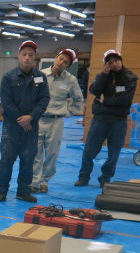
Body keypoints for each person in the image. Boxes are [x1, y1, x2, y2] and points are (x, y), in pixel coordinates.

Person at [0, 40, 50, 203]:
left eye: (30, 55)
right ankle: (2, 190)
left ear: (35, 58)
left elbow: (44, 99)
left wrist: (31, 117)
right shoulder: (8, 77)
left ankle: (23, 191)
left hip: (31, 126)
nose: (27, 58)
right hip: (12, 126)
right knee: (7, 158)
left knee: (28, 159)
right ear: (19, 56)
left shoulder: (41, 77)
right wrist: (21, 118)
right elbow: (6, 101)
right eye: (24, 54)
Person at [76, 49, 138, 187]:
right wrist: (104, 75)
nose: (114, 64)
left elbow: (124, 99)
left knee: (114, 152)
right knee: (89, 150)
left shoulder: (130, 77)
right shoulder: (102, 76)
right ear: (106, 65)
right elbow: (94, 91)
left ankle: (105, 178)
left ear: (121, 60)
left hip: (118, 120)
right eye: (110, 62)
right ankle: (84, 177)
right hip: (100, 119)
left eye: (116, 60)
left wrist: (105, 101)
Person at [32, 49, 84, 193]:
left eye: (66, 62)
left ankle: (44, 181)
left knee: (52, 154)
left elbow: (78, 99)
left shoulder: (71, 80)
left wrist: (70, 112)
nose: (61, 63)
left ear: (68, 66)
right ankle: (34, 182)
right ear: (55, 58)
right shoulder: (39, 75)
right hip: (38, 120)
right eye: (60, 59)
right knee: (35, 152)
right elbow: (30, 95)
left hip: (56, 122)